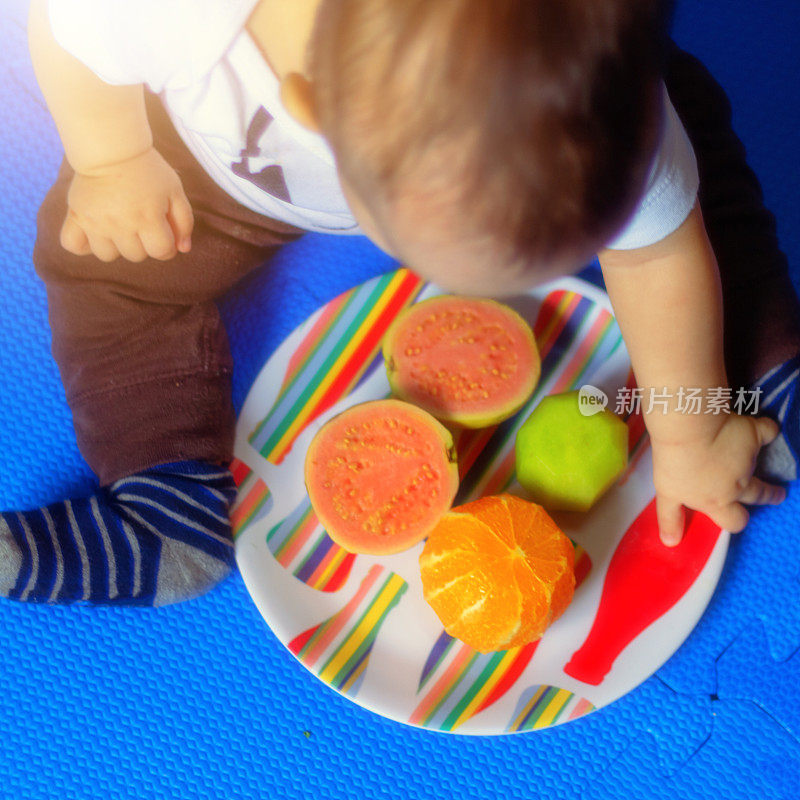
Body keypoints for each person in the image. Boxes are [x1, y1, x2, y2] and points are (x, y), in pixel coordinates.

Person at [1, 0, 797, 605]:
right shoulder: (166, 16)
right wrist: (112, 159)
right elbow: (72, 34)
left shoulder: (591, 86)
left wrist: (688, 434)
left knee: (688, 175)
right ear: (312, 112)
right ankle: (161, 487)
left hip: (559, 103)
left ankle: (748, 370)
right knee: (104, 259)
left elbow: (657, 252)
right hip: (224, 162)